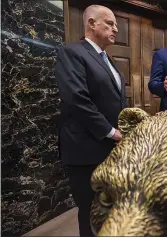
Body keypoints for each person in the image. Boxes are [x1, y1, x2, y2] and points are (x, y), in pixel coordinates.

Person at [55, 5, 127, 236]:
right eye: (110, 23)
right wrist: (110, 131)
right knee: (90, 212)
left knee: (109, 209)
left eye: (115, 24)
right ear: (91, 23)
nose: (115, 29)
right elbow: (77, 99)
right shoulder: (72, 53)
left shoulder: (108, 60)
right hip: (85, 151)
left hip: (110, 151)